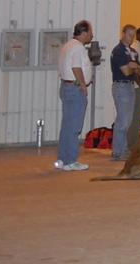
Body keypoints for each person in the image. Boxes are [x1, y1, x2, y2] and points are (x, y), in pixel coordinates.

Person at [55, 20, 94, 171]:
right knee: (74, 127)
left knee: (66, 125)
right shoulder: (78, 48)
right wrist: (83, 85)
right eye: (90, 32)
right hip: (75, 89)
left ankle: (62, 159)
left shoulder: (67, 45)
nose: (91, 35)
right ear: (83, 33)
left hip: (66, 87)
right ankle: (70, 161)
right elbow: (76, 68)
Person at [109, 24, 140, 161]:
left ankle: (123, 149)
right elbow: (126, 71)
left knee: (127, 121)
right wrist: (133, 67)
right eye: (129, 35)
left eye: (133, 35)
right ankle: (118, 152)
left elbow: (139, 69)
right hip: (121, 86)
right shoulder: (118, 51)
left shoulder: (133, 51)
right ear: (123, 34)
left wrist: (133, 67)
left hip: (130, 86)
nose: (131, 38)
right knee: (122, 121)